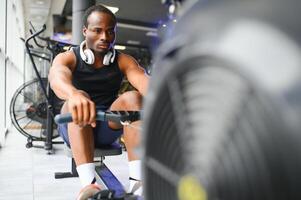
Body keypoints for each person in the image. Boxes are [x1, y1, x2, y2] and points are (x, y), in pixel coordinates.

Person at [48, 4, 148, 196]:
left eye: (110, 31)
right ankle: (89, 187)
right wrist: (74, 94)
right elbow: (57, 76)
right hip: (74, 124)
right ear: (85, 31)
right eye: (98, 30)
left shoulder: (122, 60)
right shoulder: (69, 57)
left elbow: (143, 80)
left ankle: (138, 184)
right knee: (76, 100)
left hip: (106, 126)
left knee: (133, 98)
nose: (105, 37)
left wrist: (164, 100)